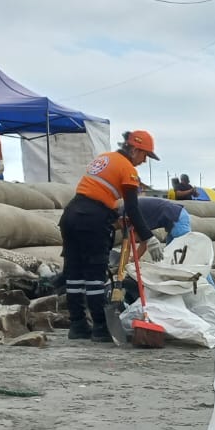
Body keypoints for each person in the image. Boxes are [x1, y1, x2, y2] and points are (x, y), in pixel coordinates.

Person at [59, 129, 160, 341]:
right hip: (92, 220)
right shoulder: (128, 169)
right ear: (135, 149)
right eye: (145, 155)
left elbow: (97, 193)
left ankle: (77, 325)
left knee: (75, 274)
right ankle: (100, 327)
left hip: (71, 215)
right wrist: (149, 238)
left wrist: (115, 216)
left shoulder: (105, 158)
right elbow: (133, 208)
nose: (144, 161)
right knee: (94, 276)